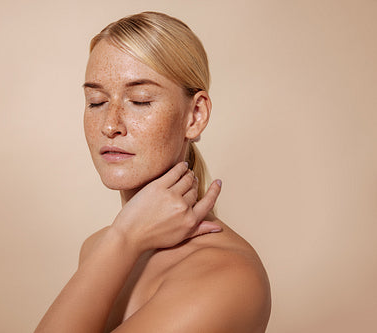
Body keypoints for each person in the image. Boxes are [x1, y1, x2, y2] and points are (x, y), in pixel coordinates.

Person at [35, 11, 271, 333]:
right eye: (96, 101)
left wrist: (123, 238)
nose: (110, 125)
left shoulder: (227, 275)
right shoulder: (100, 247)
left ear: (195, 115)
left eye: (140, 101)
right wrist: (122, 240)